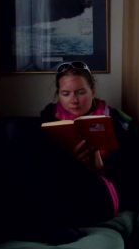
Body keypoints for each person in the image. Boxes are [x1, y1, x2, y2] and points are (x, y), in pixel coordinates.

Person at [39, 61, 133, 219]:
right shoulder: (48, 118)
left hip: (100, 188)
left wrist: (100, 167)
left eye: (81, 92)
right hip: (61, 184)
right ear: (58, 94)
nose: (74, 100)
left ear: (93, 91)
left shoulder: (115, 120)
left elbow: (130, 172)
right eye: (66, 94)